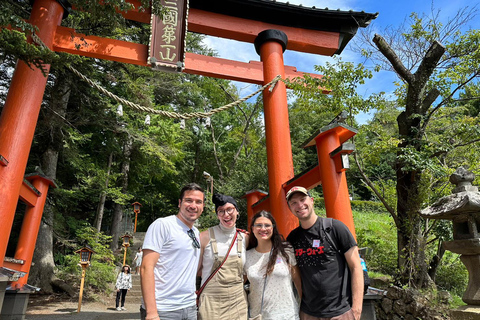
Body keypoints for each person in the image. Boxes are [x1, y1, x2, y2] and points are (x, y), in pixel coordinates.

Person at [285, 186, 364, 320]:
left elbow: (356, 266)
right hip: (308, 313)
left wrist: (356, 309)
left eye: (303, 199)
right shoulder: (293, 238)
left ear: (312, 200)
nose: (299, 205)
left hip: (340, 312)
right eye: (294, 203)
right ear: (290, 208)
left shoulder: (335, 228)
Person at [140, 183, 205, 320]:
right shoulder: (163, 225)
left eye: (198, 202)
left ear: (203, 207)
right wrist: (152, 313)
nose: (193, 205)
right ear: (180, 203)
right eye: (189, 200)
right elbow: (146, 267)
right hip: (163, 309)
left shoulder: (195, 231)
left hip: (189, 307)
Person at [197, 193, 248, 320]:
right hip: (211, 301)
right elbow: (196, 271)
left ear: (237, 211)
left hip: (238, 300)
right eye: (221, 211)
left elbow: (248, 270)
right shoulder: (204, 237)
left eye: (230, 209)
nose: (226, 215)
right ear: (217, 215)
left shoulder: (246, 238)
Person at [244, 210, 302, 320]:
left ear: (273, 228)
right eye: (259, 225)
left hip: (287, 314)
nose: (263, 228)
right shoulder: (247, 256)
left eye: (267, 225)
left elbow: (298, 283)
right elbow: (238, 285)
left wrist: (304, 309)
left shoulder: (286, 251)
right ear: (252, 228)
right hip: (258, 316)